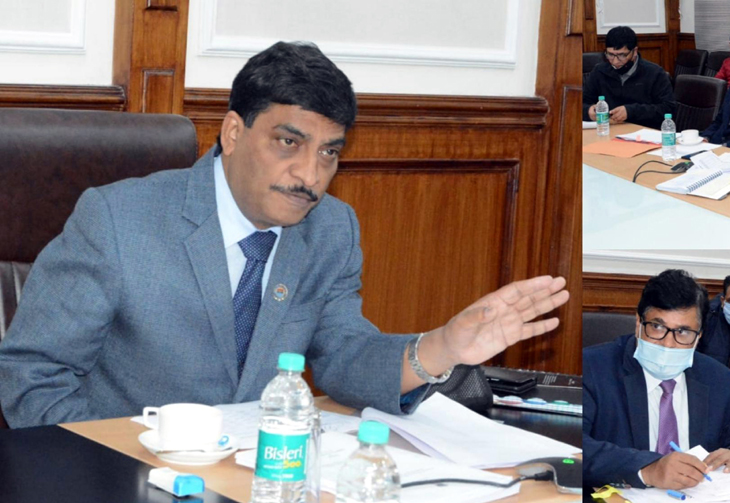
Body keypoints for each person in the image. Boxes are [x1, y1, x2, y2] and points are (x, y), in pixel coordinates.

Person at [0, 42, 570, 428]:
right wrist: (124, 462)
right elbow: (30, 379)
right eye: (288, 143)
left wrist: (443, 345)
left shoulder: (331, 230)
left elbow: (343, 355)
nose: (310, 176)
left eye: (329, 153)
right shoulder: (119, 220)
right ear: (232, 131)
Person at [584, 269, 730, 490]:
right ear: (638, 323)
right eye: (657, 327)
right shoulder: (593, 368)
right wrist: (648, 469)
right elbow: (575, 447)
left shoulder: (718, 378)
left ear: (699, 336)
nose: (668, 344)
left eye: (683, 332)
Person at [583, 26, 677, 129]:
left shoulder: (655, 73)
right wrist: (588, 110)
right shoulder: (599, 71)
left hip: (644, 133)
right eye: (610, 54)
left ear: (634, 51)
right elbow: (579, 103)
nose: (615, 61)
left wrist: (631, 111)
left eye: (622, 55)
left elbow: (668, 108)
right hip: (609, 130)